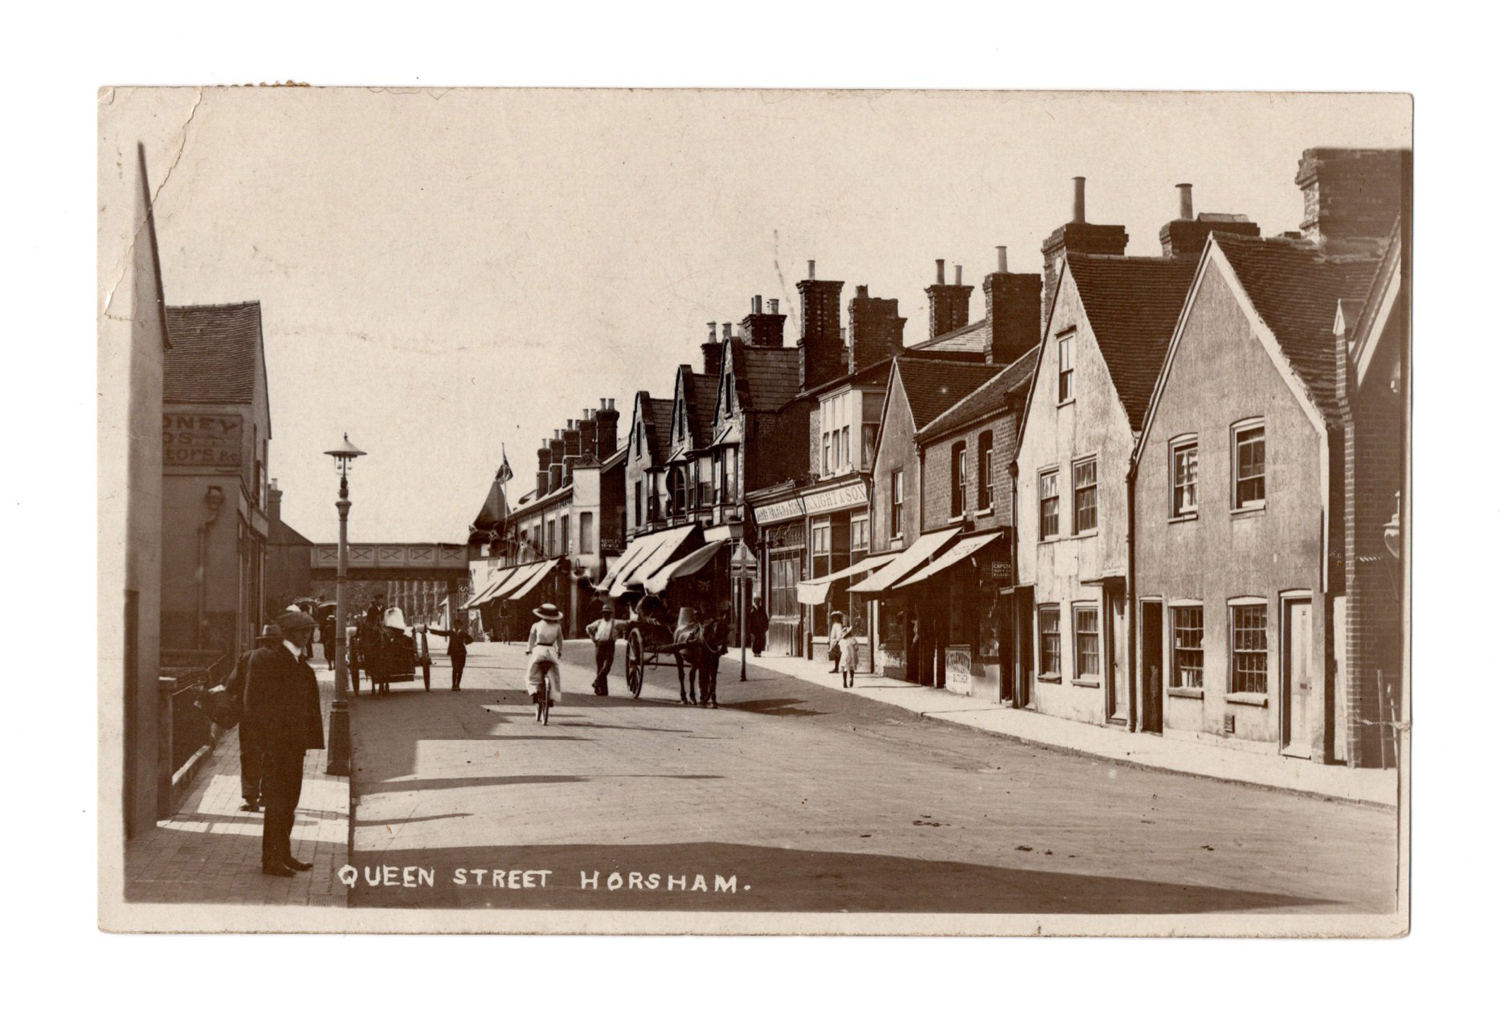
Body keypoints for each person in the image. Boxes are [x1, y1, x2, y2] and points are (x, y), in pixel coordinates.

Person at [243, 609, 324, 877]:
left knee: (289, 802)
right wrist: (266, 741)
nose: (309, 635)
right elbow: (253, 703)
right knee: (277, 803)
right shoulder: (266, 659)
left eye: (309, 630)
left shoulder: (298, 661)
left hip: (293, 745)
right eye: (305, 630)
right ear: (293, 633)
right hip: (276, 746)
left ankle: (284, 854)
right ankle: (271, 860)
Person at [225, 623, 281, 811]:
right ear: (278, 642)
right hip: (275, 718)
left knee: (249, 755)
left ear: (262, 641)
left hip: (250, 717)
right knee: (271, 755)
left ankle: (251, 799)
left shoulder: (247, 657)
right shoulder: (285, 660)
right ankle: (268, 795)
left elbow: (232, 685)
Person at [525, 603, 566, 710]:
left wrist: (528, 649)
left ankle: (534, 691)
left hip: (539, 650)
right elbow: (559, 641)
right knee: (554, 672)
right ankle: (552, 697)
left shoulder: (536, 625)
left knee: (532, 671)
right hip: (551, 652)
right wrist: (559, 651)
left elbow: (531, 639)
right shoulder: (557, 627)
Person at [429, 620, 473, 690]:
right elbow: (441, 633)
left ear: (460, 626)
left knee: (460, 669)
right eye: (456, 625)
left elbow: (471, 639)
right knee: (455, 668)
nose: (457, 626)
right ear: (454, 625)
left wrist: (465, 642)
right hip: (454, 653)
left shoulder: (463, 633)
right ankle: (453, 685)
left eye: (458, 625)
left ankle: (458, 685)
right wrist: (431, 630)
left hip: (462, 653)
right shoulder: (451, 632)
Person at [585, 602, 617, 696]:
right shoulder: (599, 622)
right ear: (602, 614)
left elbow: (625, 625)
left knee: (606, 667)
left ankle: (597, 682)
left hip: (610, 645)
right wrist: (592, 637)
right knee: (600, 667)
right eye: (604, 613)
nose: (606, 615)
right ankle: (603, 690)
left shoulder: (615, 623)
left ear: (610, 614)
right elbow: (588, 628)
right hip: (599, 645)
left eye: (607, 613)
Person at [838, 615, 861, 689]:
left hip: (845, 656)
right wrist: (855, 650)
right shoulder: (852, 639)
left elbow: (841, 650)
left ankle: (844, 681)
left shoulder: (841, 641)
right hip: (852, 655)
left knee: (845, 668)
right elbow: (856, 647)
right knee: (852, 668)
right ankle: (851, 678)